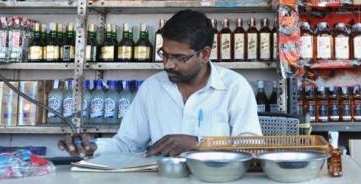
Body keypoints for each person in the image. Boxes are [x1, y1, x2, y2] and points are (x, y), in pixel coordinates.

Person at [58, 10, 262, 157]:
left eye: (179, 58)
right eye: (164, 55)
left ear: (205, 54)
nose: (168, 65)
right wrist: (93, 146)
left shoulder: (234, 87)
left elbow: (252, 147)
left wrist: (199, 144)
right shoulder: (152, 88)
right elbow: (127, 143)